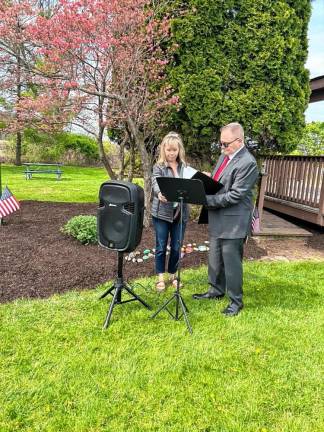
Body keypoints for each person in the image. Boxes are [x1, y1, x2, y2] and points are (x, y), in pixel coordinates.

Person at [193, 122, 259, 316]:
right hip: (218, 216)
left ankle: (236, 302)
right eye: (220, 143)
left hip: (234, 220)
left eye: (225, 144)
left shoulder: (248, 163)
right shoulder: (225, 156)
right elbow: (219, 181)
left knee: (231, 262)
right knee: (214, 257)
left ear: (239, 141)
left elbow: (235, 195)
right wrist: (207, 178)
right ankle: (215, 290)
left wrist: (206, 199)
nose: (222, 148)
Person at [151, 132, 189, 292]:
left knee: (176, 247)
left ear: (179, 150)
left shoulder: (184, 167)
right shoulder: (158, 166)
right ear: (163, 150)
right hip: (161, 214)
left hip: (180, 214)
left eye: (174, 150)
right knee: (161, 246)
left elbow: (190, 185)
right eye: (168, 150)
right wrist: (159, 193)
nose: (171, 153)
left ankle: (173, 275)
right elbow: (155, 183)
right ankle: (160, 278)